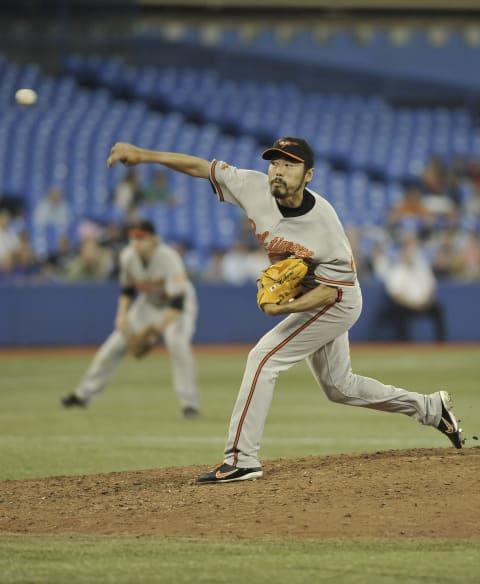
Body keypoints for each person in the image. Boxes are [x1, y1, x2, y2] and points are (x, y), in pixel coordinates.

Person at [106, 137, 463, 484]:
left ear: (308, 174)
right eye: (275, 162)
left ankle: (241, 460)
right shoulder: (252, 186)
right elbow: (201, 167)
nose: (278, 170)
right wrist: (143, 155)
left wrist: (287, 308)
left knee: (263, 358)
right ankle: (431, 408)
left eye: (289, 164)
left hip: (336, 300)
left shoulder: (325, 223)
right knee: (339, 387)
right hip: (313, 297)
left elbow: (330, 292)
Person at [61, 219, 200, 418]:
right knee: (114, 345)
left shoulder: (169, 258)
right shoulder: (128, 257)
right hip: (148, 304)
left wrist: (154, 333)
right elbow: (127, 290)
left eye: (141, 237)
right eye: (134, 237)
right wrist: (122, 316)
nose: (136, 242)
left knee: (178, 344)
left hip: (179, 307)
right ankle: (82, 395)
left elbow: (177, 305)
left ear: (153, 240)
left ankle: (190, 405)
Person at [379, 236, 446, 342]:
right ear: (401, 253)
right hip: (405, 305)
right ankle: (404, 343)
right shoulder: (396, 269)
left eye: (411, 251)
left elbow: (431, 288)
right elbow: (395, 294)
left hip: (424, 304)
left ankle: (441, 343)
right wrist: (411, 304)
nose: (409, 254)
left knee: (438, 308)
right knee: (399, 311)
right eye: (406, 251)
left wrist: (425, 302)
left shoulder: (422, 267)